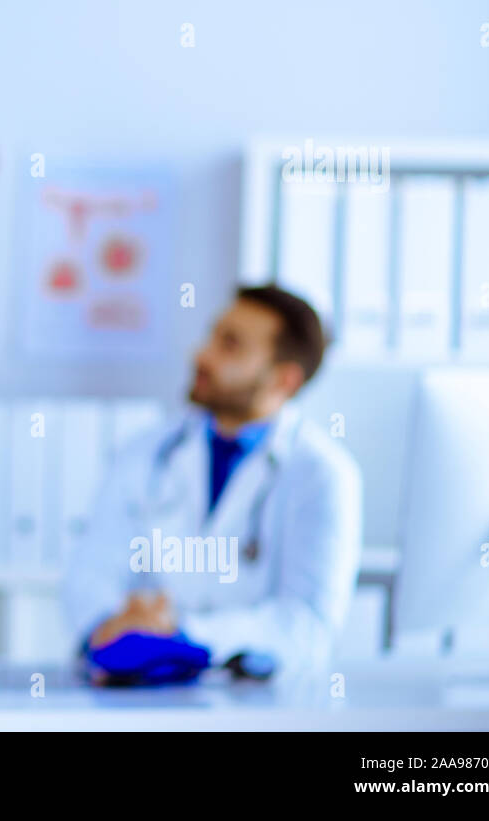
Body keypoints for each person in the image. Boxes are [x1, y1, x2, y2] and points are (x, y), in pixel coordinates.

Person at [61, 285, 363, 680]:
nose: (201, 355)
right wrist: (109, 625)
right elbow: (91, 573)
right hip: (142, 697)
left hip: (260, 706)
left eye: (230, 345)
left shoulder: (321, 475)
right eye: (213, 336)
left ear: (284, 379)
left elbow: (308, 624)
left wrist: (184, 635)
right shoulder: (146, 453)